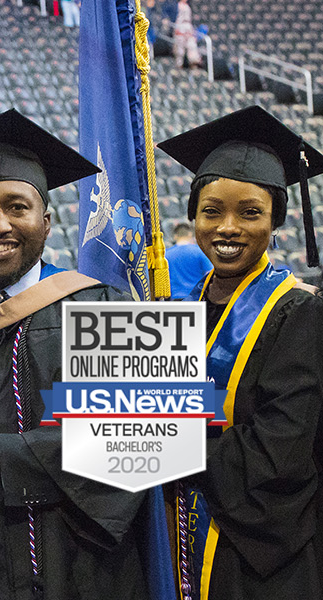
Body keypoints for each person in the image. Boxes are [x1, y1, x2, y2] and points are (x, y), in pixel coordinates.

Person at [0, 109, 159, 600]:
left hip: (82, 572)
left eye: (17, 207)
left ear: (47, 221)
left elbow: (141, 447)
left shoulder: (109, 306)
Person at [157, 105, 323, 600]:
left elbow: (277, 454)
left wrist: (146, 446)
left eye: (250, 212)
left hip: (259, 560)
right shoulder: (172, 314)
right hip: (174, 541)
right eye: (211, 211)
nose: (227, 227)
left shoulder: (303, 315)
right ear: (193, 216)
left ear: (277, 221)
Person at [166, 221, 212, 297]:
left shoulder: (166, 255)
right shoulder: (200, 252)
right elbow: (209, 274)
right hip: (196, 298)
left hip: (175, 299)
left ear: (175, 236)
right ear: (190, 234)